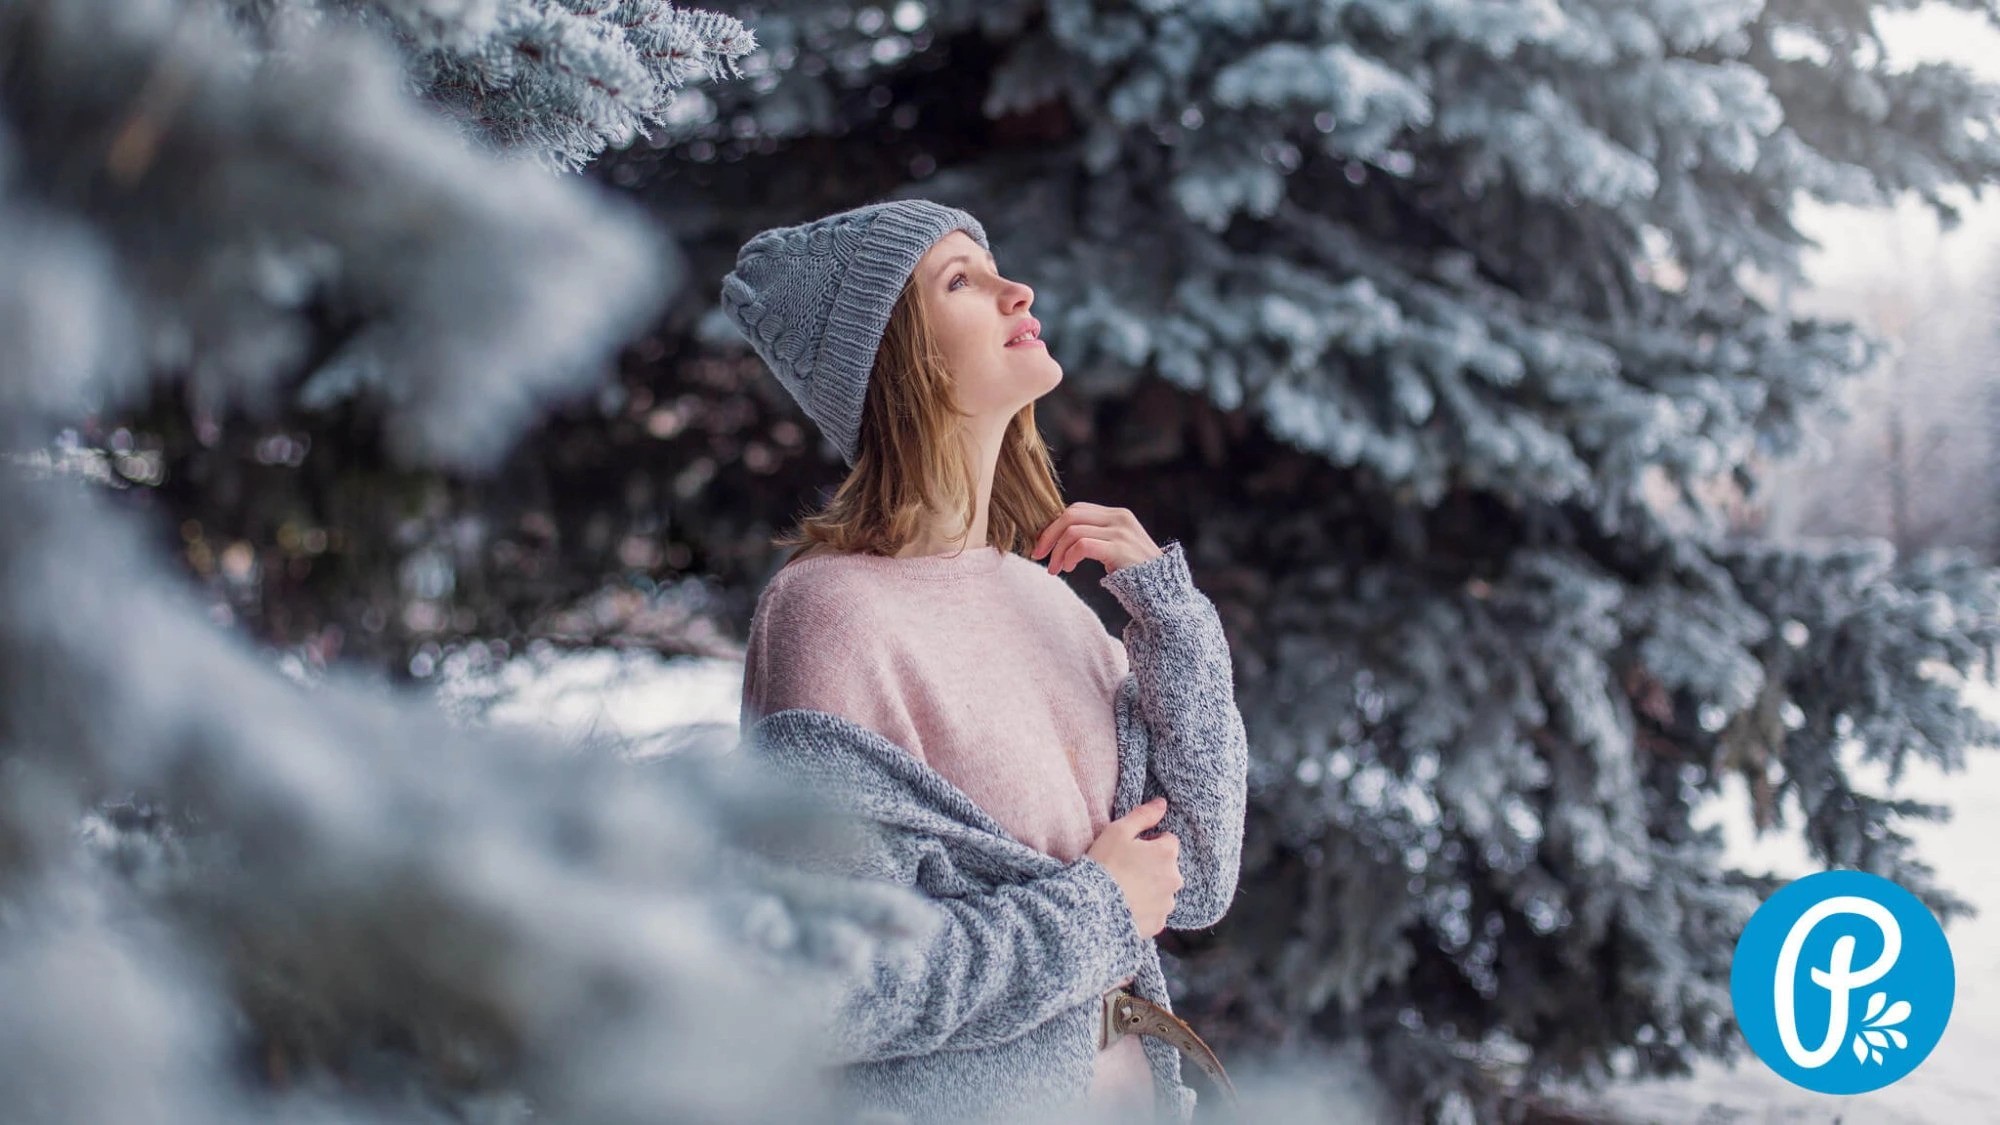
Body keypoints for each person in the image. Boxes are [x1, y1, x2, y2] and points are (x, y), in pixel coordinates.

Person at [721, 198, 1249, 1122]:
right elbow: (822, 984)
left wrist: (1175, 626)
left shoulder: (1049, 600)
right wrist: (1095, 912)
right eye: (959, 281)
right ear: (898, 362)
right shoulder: (829, 614)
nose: (1017, 291)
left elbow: (1192, 878)